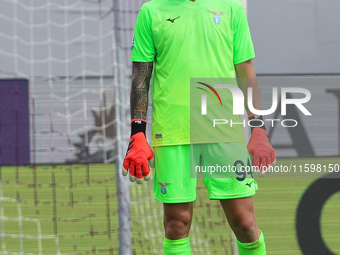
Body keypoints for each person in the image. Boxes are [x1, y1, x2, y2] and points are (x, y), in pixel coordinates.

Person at [123, 0, 276, 254]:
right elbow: (141, 75)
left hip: (222, 130)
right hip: (172, 133)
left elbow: (245, 70)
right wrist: (137, 134)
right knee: (176, 224)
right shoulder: (151, 11)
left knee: (245, 223)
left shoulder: (231, 7)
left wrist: (258, 127)